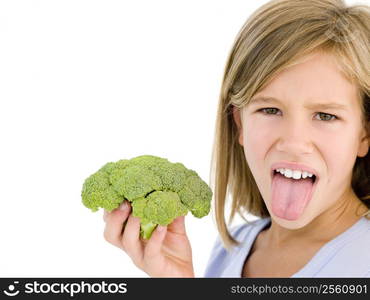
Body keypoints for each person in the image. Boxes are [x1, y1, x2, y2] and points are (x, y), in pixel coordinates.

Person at [102, 0, 370, 277]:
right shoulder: (231, 248)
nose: (293, 142)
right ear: (239, 122)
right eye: (270, 110)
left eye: (325, 116)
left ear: (365, 133)